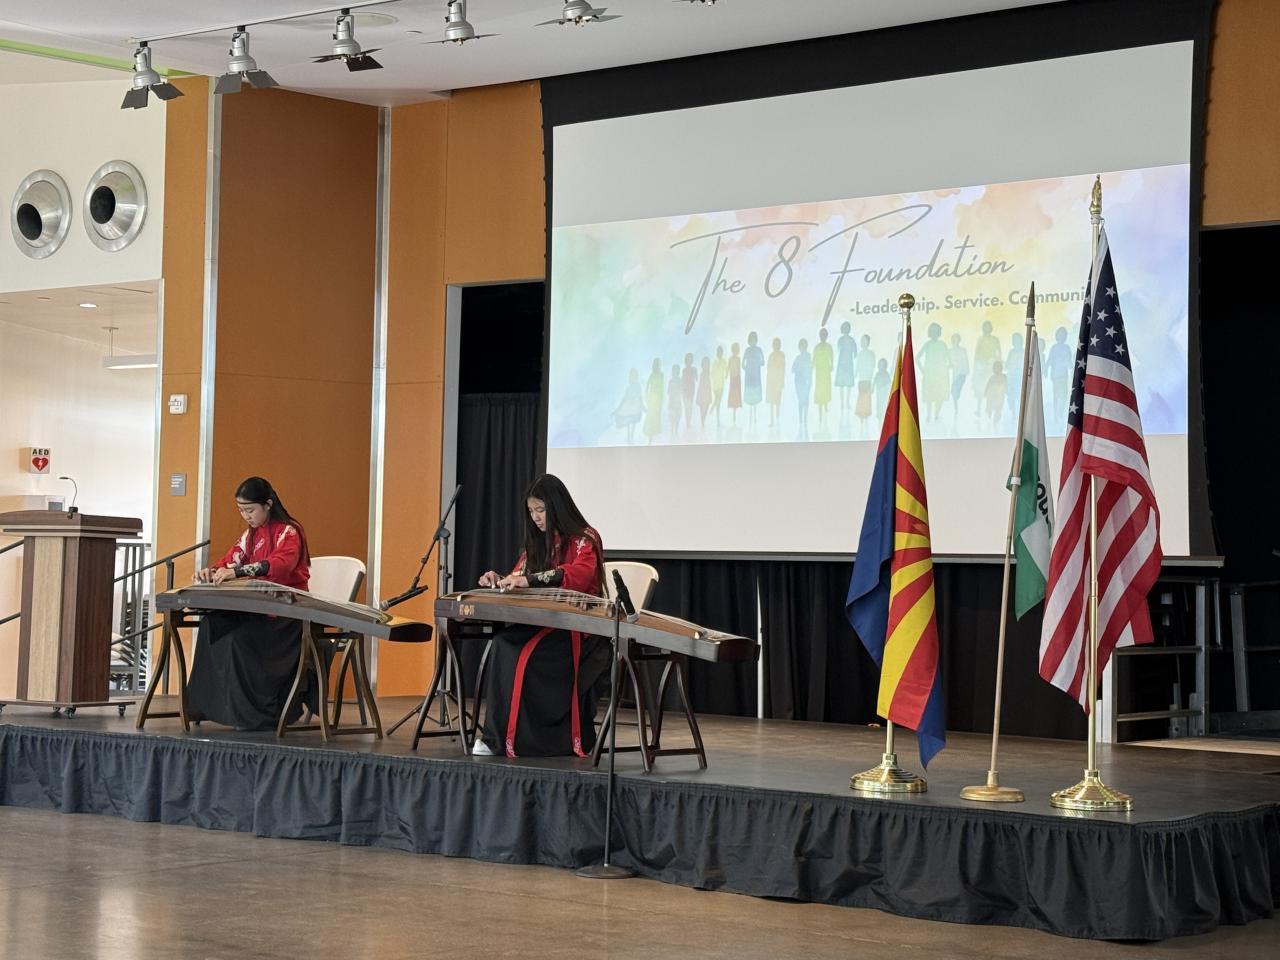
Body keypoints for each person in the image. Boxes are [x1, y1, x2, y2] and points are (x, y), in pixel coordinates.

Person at [474, 474, 609, 758]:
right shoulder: (539, 542)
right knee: (502, 643)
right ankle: (499, 736)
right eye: (531, 511)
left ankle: (520, 739)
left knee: (520, 651)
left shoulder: (585, 538)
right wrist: (499, 580)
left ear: (557, 506)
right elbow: (520, 575)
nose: (535, 517)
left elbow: (579, 575)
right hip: (545, 625)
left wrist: (529, 580)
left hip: (577, 629)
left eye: (541, 510)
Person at [186, 476, 314, 731]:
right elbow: (230, 560)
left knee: (237, 639)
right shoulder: (251, 535)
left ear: (268, 504)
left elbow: (279, 565)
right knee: (211, 625)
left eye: (250, 510)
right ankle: (205, 707)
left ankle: (253, 715)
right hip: (258, 611)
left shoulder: (289, 531)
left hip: (285, 616)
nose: (246, 516)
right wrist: (212, 572)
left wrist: (237, 572)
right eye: (241, 511)